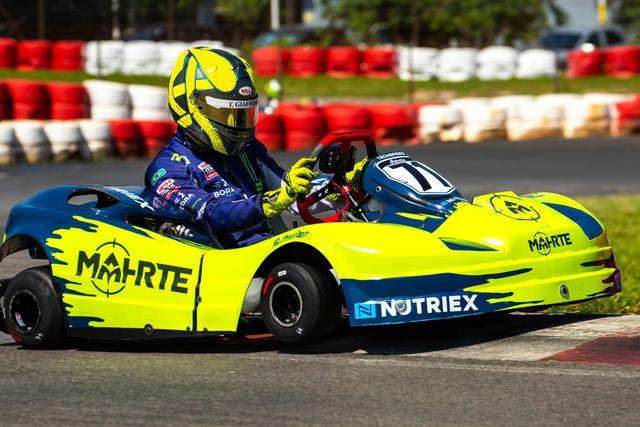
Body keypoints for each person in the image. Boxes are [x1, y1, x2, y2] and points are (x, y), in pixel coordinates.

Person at [145, 47, 363, 248]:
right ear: (191, 106)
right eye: (228, 115)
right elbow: (209, 214)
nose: (237, 126)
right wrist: (265, 204)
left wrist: (338, 187)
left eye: (243, 115)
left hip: (267, 252)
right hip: (221, 265)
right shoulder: (168, 169)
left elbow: (291, 196)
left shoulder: (246, 151)